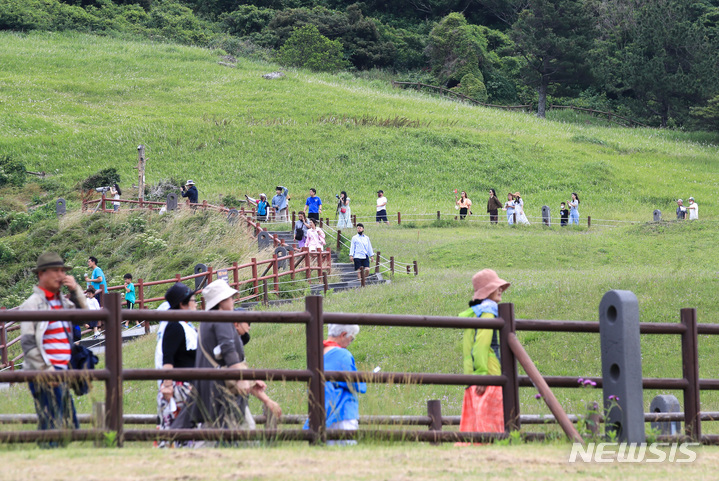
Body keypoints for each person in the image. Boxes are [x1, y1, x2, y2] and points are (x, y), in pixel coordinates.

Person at [175, 280, 281, 430]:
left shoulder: (207, 321)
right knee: (236, 429)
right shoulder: (221, 319)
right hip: (220, 387)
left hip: (210, 384)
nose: (233, 300)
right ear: (220, 301)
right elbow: (227, 349)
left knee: (214, 430)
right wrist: (241, 377)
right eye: (229, 297)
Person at [19, 252, 88, 439]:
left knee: (68, 425)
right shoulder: (31, 305)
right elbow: (28, 343)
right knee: (53, 426)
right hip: (44, 374)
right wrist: (47, 370)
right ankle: (47, 459)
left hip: (63, 372)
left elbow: (87, 318)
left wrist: (76, 291)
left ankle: (59, 460)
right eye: (55, 271)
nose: (61, 275)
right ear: (41, 274)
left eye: (62, 271)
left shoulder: (63, 302)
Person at [457, 269, 510, 437]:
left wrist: (474, 375)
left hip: (472, 375)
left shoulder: (474, 313)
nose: (500, 289)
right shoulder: (488, 312)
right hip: (489, 374)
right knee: (491, 422)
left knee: (475, 423)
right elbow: (481, 345)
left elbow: (468, 348)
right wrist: (482, 375)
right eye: (496, 287)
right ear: (487, 292)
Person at [304, 324, 366, 445]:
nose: (350, 342)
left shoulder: (316, 352)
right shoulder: (342, 355)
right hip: (343, 413)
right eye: (351, 338)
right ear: (343, 335)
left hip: (319, 411)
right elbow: (357, 385)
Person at [155, 283, 198, 437]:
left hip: (189, 386)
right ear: (182, 304)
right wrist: (167, 386)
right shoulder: (175, 326)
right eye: (193, 300)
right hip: (178, 388)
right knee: (177, 429)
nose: (196, 304)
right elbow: (168, 357)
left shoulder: (187, 326)